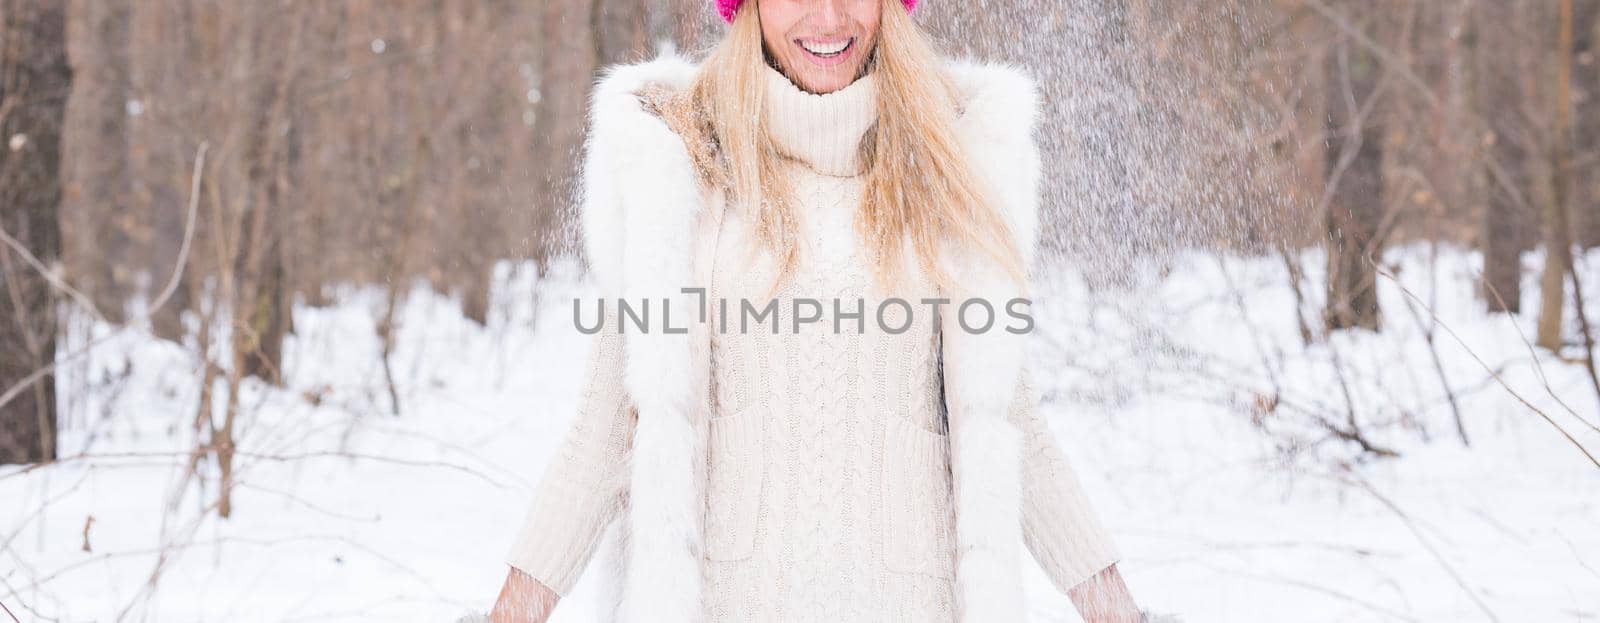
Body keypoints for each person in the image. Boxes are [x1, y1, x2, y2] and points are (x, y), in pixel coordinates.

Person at [485, 0, 1166, 621]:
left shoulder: (950, 165)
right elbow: (606, 430)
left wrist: (1119, 611)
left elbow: (1009, 426)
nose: (829, 17)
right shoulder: (679, 164)